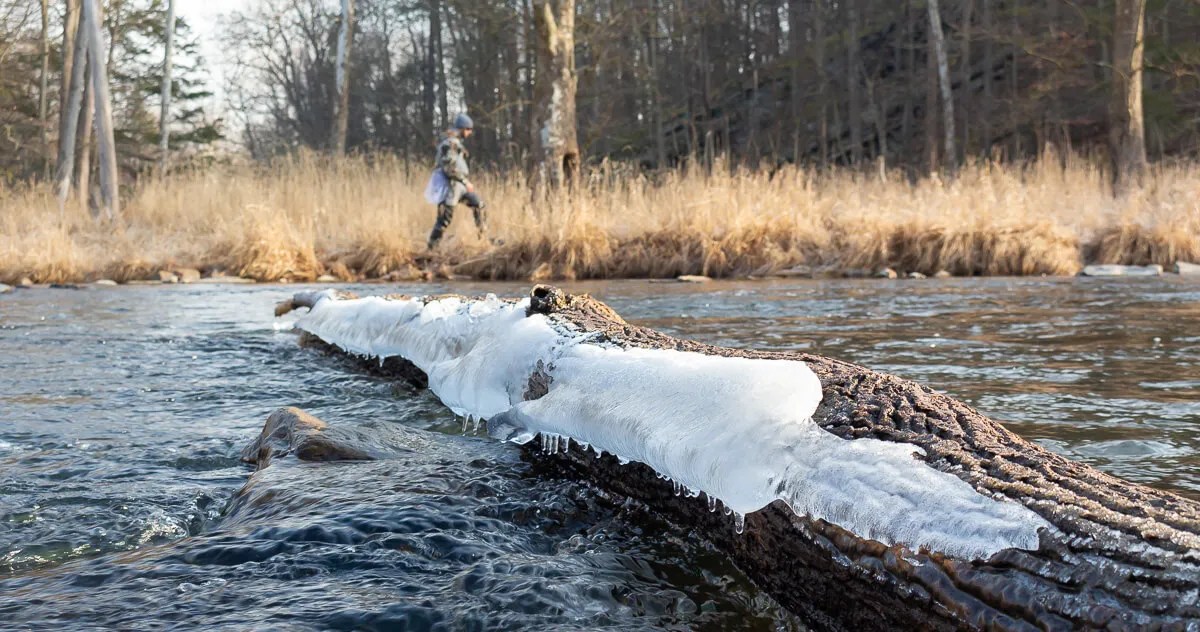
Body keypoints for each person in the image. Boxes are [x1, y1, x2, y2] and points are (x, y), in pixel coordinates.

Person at [426, 113, 486, 249]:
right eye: (468, 129)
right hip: (449, 187)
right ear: (462, 128)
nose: (470, 133)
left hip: (459, 186)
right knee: (444, 220)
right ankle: (432, 248)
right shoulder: (450, 143)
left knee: (479, 205)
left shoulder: (456, 143)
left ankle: (483, 239)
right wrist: (465, 181)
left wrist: (463, 182)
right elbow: (449, 168)